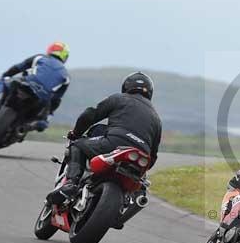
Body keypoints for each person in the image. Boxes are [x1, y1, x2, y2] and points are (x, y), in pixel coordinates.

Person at [47, 71, 162, 204]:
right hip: (142, 156)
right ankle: (123, 207)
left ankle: (71, 184)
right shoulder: (156, 118)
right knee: (140, 186)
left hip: (115, 143)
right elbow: (153, 155)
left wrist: (76, 134)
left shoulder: (120, 98)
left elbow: (89, 115)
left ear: (126, 87)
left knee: (77, 145)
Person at [0, 42, 71, 131]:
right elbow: (56, 99)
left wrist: (5, 75)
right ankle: (26, 127)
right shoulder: (66, 76)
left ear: (50, 50)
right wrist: (48, 115)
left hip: (24, 85)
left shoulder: (40, 58)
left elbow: (18, 67)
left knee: (1, 82)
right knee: (42, 122)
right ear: (65, 56)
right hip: (41, 98)